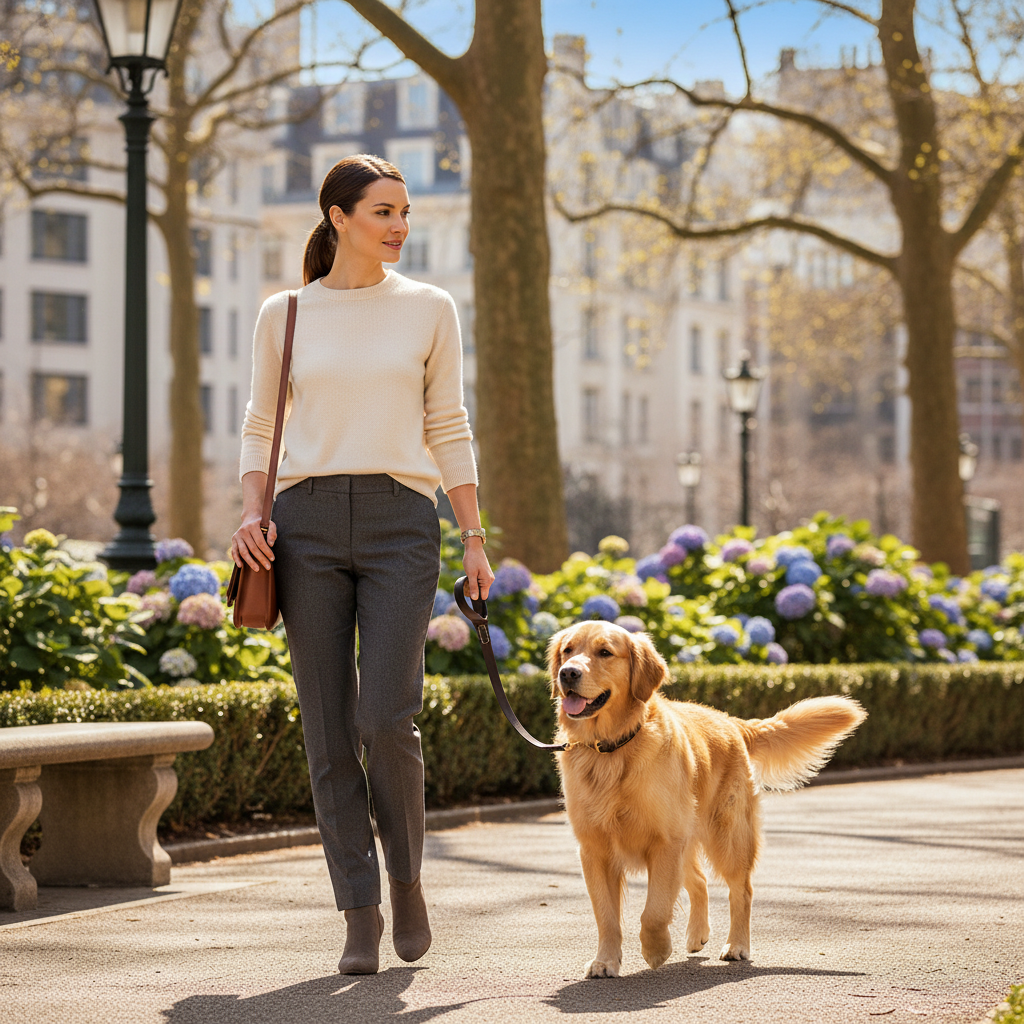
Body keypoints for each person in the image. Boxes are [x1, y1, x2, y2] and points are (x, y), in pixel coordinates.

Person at [231, 154, 494, 975]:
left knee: (386, 717)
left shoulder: (429, 308)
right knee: (326, 728)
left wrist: (475, 537)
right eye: (383, 211)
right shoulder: (286, 313)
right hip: (301, 525)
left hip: (400, 525)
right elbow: (259, 424)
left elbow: (448, 422)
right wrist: (250, 514)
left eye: (405, 212)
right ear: (338, 217)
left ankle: (408, 880)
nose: (400, 226)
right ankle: (359, 910)